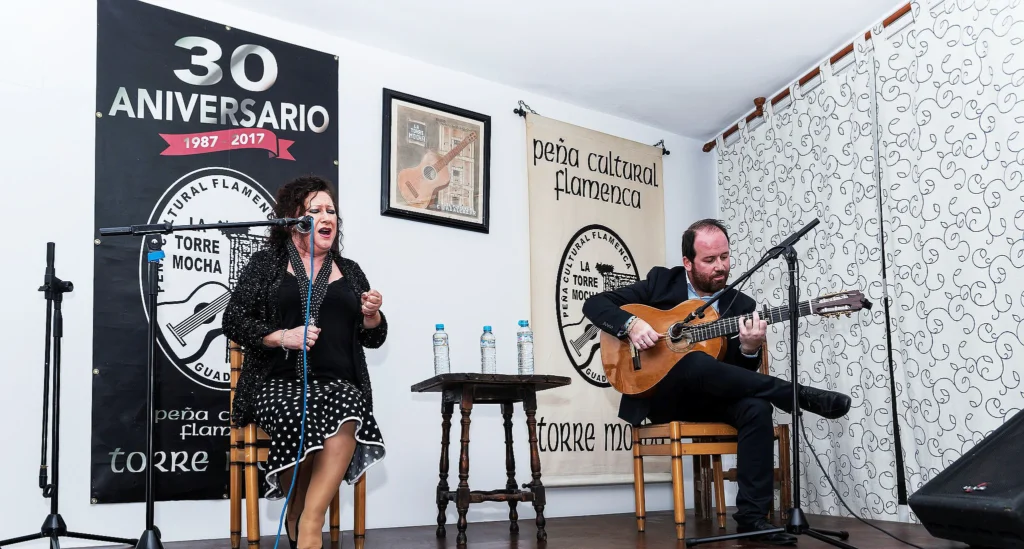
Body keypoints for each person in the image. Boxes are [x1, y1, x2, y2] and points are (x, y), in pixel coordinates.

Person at [582, 218, 851, 546]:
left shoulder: (743, 306)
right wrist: (633, 325)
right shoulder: (660, 283)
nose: (720, 266)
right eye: (709, 260)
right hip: (662, 396)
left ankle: (753, 519)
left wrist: (750, 349)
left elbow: (740, 376)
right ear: (688, 262)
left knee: (755, 406)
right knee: (693, 361)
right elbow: (594, 304)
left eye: (724, 257)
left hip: (712, 397)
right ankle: (795, 394)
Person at [223, 175, 387, 549]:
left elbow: (373, 338)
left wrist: (372, 315)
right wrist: (283, 336)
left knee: (347, 404)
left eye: (331, 211)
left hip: (338, 382)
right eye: (316, 210)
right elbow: (233, 319)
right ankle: (295, 513)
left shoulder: (352, 270)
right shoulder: (267, 264)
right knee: (302, 411)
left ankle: (309, 523)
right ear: (293, 221)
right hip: (275, 381)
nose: (327, 216)